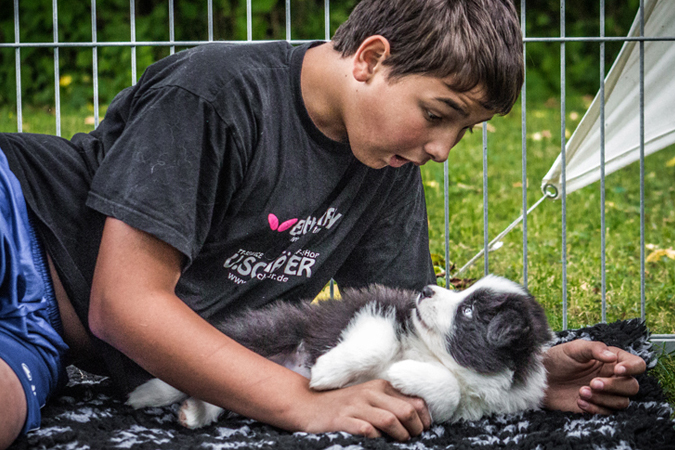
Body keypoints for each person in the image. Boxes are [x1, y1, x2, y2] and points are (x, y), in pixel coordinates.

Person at [0, 0, 646, 447]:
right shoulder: (214, 94)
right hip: (16, 221)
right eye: (435, 112)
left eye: (465, 130)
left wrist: (524, 377)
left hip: (44, 330)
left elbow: (409, 330)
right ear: (369, 58)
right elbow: (124, 304)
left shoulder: (385, 166)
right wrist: (296, 400)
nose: (442, 149)